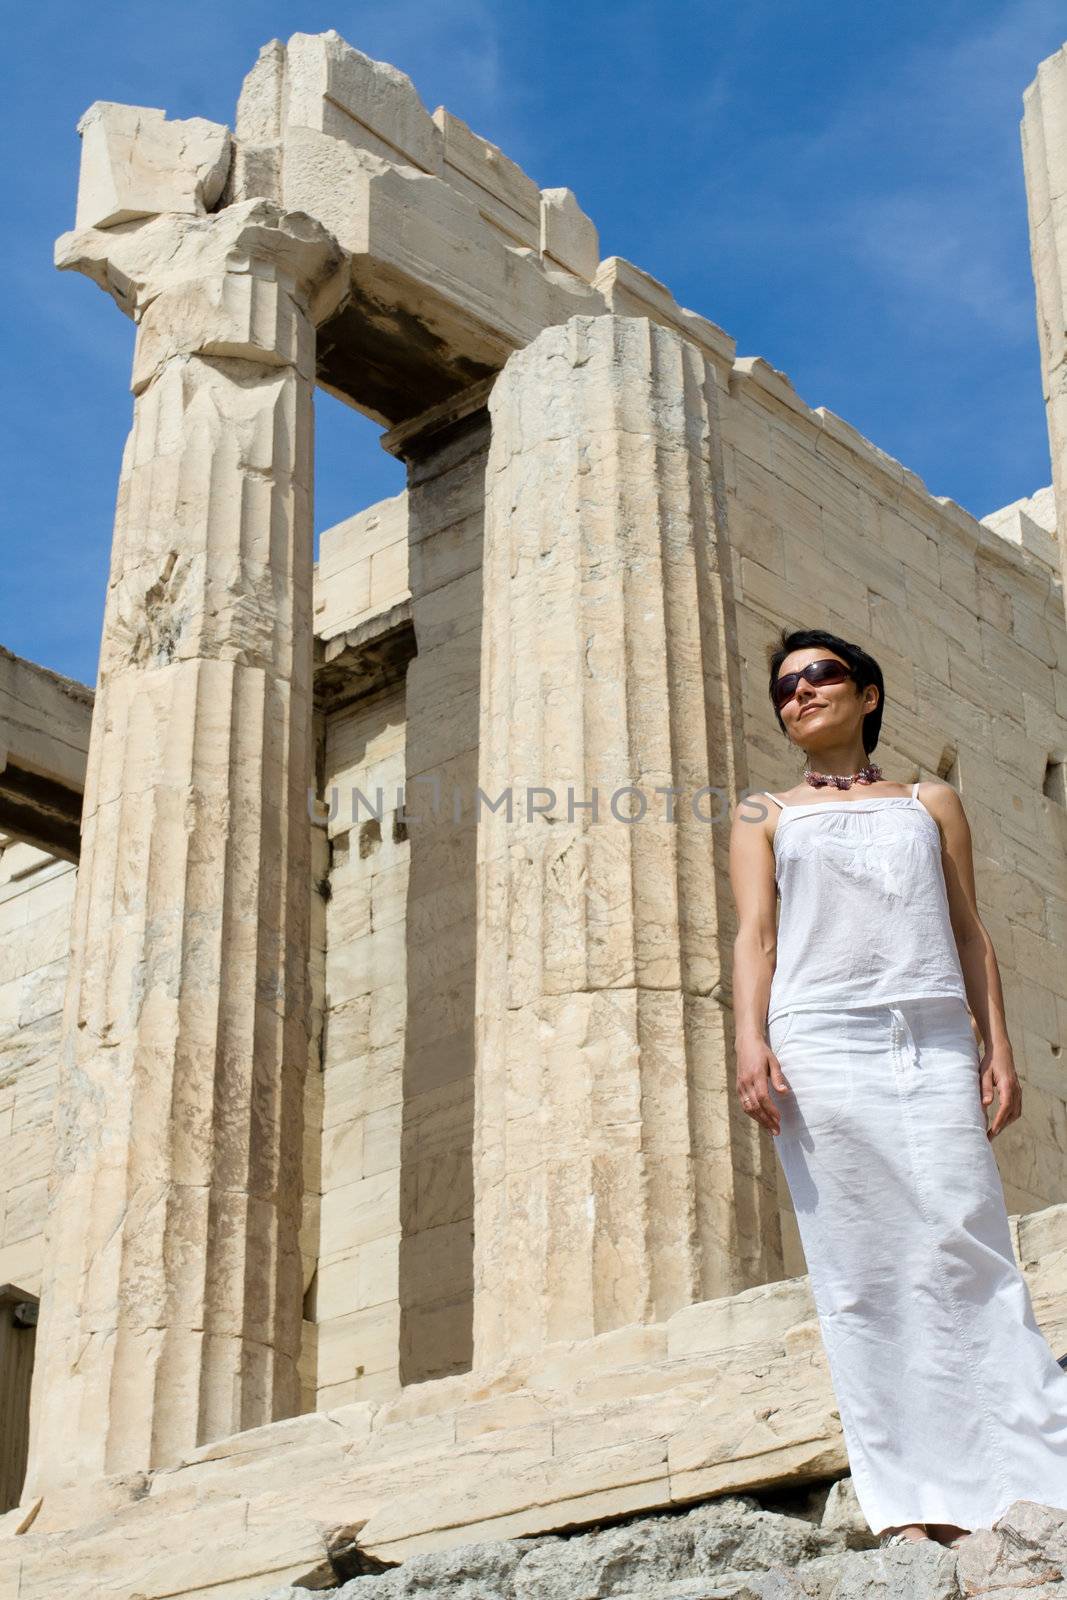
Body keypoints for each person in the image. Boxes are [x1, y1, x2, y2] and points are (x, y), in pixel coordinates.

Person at [728, 625, 1067, 1549]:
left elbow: (969, 932)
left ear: (866, 694)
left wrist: (997, 1044)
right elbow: (754, 938)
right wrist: (748, 1041)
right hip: (820, 1041)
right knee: (860, 1268)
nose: (799, 693)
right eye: (785, 687)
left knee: (969, 1241)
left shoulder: (931, 800)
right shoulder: (764, 811)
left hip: (928, 1036)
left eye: (819, 676)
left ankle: (1033, 1474)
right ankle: (914, 1502)